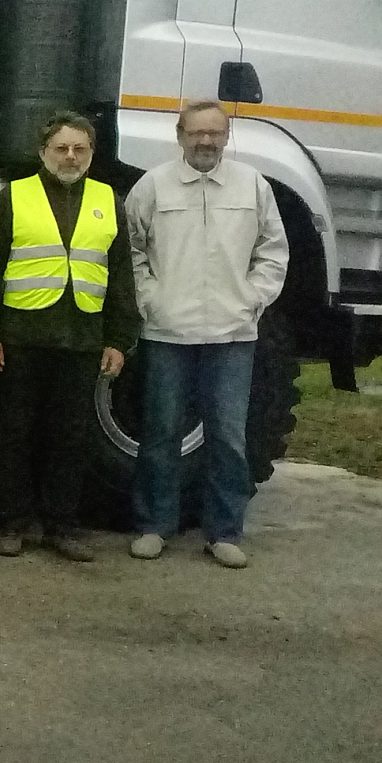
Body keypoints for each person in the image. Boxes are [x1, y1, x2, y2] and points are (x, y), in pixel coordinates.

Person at [0, 112, 141, 562]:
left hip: (81, 340)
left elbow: (121, 275)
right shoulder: (14, 196)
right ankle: (12, 523)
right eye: (61, 148)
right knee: (14, 434)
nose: (70, 157)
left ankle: (62, 526)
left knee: (71, 438)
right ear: (43, 152)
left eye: (79, 149)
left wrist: (118, 339)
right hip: (21, 337)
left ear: (91, 154)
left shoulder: (108, 200)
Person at [127, 100, 288, 568]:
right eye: (197, 132)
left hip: (232, 335)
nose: (206, 141)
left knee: (228, 438)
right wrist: (151, 300)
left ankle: (224, 533)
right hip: (167, 332)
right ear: (180, 135)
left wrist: (251, 298)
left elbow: (274, 250)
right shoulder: (152, 185)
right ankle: (154, 526)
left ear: (226, 136)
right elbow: (131, 249)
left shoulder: (252, 185)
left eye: (215, 133)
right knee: (160, 434)